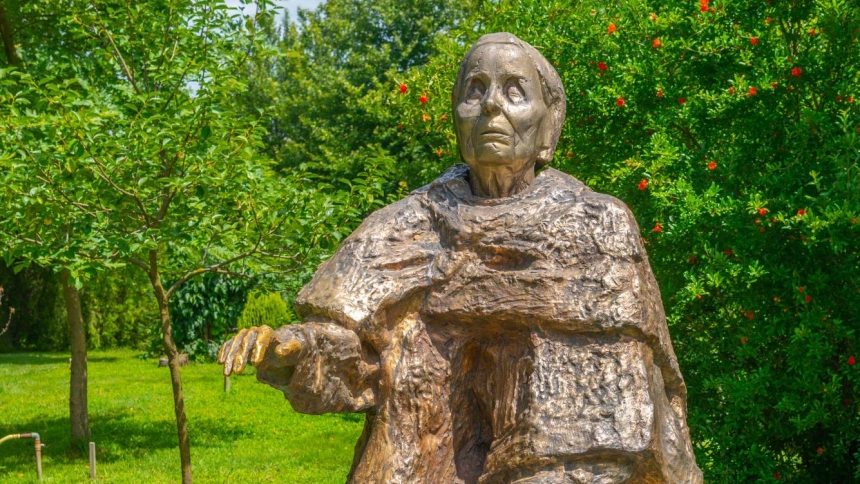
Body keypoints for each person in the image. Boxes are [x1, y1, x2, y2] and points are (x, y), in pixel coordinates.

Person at [219, 32, 703, 484]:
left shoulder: (598, 227)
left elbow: (634, 392)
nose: (491, 103)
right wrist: (295, 348)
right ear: (456, 116)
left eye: (515, 91)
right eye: (475, 90)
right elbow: (358, 359)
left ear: (548, 125)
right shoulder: (406, 226)